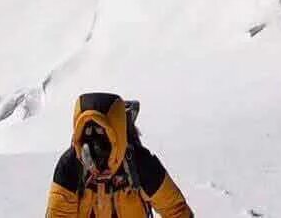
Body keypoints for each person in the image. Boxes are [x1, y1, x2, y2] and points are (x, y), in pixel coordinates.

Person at [45, 92, 192, 218]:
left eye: (102, 135)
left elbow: (176, 211)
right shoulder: (71, 167)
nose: (94, 146)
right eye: (88, 135)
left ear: (117, 136)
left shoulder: (140, 164)